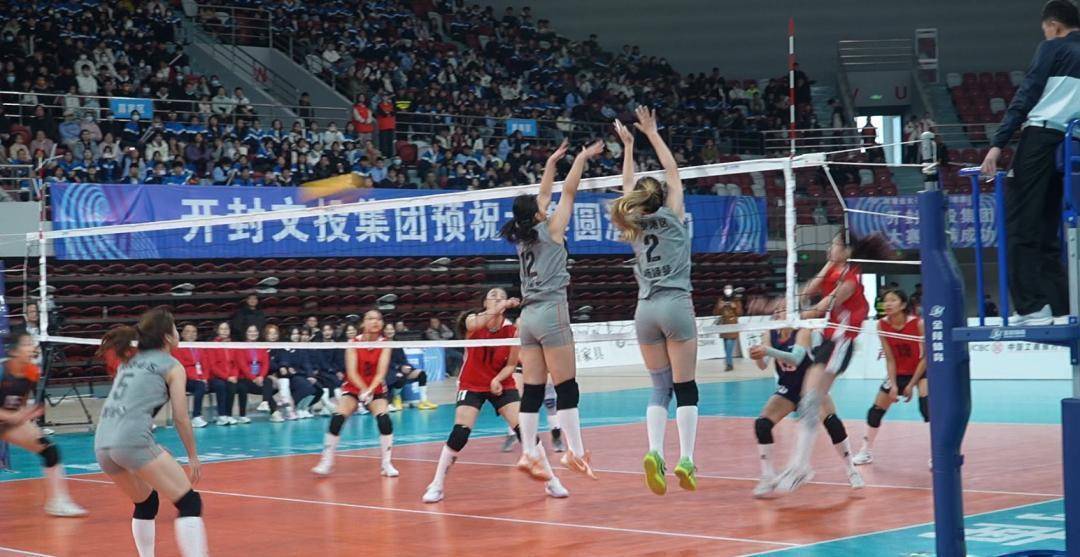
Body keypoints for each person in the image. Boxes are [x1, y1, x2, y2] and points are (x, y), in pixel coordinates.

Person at [498, 138, 603, 481]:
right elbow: (568, 191)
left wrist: (551, 163)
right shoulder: (552, 229)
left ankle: (529, 453)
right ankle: (576, 452)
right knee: (566, 386)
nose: (545, 205)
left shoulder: (523, 235)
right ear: (538, 214)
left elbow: (543, 195)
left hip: (527, 318)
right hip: (551, 311)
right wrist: (582, 157)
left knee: (532, 388)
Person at [611, 107, 699, 495]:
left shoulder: (632, 222)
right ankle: (687, 459)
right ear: (661, 198)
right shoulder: (674, 217)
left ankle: (654, 452)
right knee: (686, 387)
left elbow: (626, 187)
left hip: (645, 310)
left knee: (659, 387)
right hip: (675, 304)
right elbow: (673, 171)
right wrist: (651, 132)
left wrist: (628, 147)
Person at [980, 0, 1080, 325]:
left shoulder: (1052, 48)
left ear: (1053, 26)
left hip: (1040, 139)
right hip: (1071, 146)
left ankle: (1031, 307)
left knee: (1021, 224)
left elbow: (1027, 94)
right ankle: (1061, 307)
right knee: (1049, 229)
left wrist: (997, 144)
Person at [775, 231, 895, 493]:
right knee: (809, 402)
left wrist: (791, 318)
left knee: (811, 401)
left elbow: (822, 306)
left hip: (841, 344)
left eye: (835, 245)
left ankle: (801, 466)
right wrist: (828, 264)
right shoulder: (834, 270)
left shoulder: (850, 280)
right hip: (828, 343)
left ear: (847, 251)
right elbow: (809, 290)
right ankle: (800, 465)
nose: (830, 247)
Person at [422, 289, 568, 503]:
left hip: (501, 382)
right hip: (472, 383)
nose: (498, 297)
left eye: (502, 295)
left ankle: (552, 481)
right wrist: (504, 304)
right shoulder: (472, 321)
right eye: (493, 295)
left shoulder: (512, 332)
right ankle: (437, 485)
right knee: (460, 433)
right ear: (485, 302)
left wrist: (497, 379)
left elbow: (511, 364)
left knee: (525, 431)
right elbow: (477, 323)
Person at [95, 308, 209, 557]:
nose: (178, 333)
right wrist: (192, 456)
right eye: (176, 328)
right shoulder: (172, 366)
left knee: (146, 502)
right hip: (130, 442)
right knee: (189, 502)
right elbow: (180, 417)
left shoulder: (130, 360)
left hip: (102, 443)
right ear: (167, 337)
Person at [747, 304, 864, 498]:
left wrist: (767, 350)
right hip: (788, 389)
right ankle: (768, 476)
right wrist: (757, 355)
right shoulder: (770, 334)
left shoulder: (802, 331)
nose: (779, 312)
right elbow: (762, 365)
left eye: (784, 309)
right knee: (762, 424)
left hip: (811, 387)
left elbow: (796, 358)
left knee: (832, 422)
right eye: (777, 310)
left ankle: (851, 469)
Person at [0, 332, 87, 517]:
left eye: (32, 343)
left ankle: (58, 502)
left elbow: (21, 401)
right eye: (26, 344)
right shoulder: (2, 371)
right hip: (6, 418)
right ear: (14, 351)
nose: (32, 347)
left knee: (49, 449)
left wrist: (26, 414)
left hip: (7, 423)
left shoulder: (32, 372)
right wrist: (12, 416)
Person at [312, 309, 398, 478]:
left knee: (384, 421)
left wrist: (370, 390)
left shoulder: (385, 344)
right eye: (371, 318)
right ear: (363, 323)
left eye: (378, 319)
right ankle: (326, 461)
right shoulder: (353, 343)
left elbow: (381, 373)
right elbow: (351, 372)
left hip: (375, 388)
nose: (375, 322)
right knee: (337, 418)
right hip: (354, 388)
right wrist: (363, 390)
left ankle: (386, 464)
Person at [853, 289, 928, 466]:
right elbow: (890, 358)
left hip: (921, 371)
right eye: (885, 300)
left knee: (928, 408)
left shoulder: (918, 324)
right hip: (898, 372)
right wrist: (893, 385)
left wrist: (911, 384)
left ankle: (939, 455)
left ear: (903, 305)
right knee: (875, 411)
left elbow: (926, 358)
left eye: (893, 300)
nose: (887, 304)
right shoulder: (881, 325)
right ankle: (866, 451)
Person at [383, 323, 438, 410]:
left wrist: (407, 366)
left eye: (391, 329)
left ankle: (423, 401)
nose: (390, 331)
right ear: (384, 331)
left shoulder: (397, 343)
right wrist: (399, 367)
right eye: (387, 329)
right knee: (400, 377)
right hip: (389, 371)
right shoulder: (381, 344)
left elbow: (403, 359)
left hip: (401, 369)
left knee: (421, 374)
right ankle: (396, 398)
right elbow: (386, 362)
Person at [233, 325, 274, 422]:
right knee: (243, 387)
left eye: (255, 331)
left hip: (259, 378)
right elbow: (242, 365)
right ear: (246, 334)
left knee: (268, 382)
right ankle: (242, 415)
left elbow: (265, 364)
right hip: (245, 378)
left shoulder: (262, 346)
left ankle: (265, 403)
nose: (253, 333)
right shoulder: (241, 347)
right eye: (250, 331)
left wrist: (261, 376)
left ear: (258, 333)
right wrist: (253, 378)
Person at [171, 323, 209, 428]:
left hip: (201, 378)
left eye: (194, 332)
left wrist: (205, 378)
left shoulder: (200, 347)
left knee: (220, 384)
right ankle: (196, 416)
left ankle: (224, 415)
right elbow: (180, 367)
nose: (191, 334)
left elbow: (206, 365)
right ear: (182, 334)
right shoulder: (177, 348)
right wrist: (197, 378)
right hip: (185, 379)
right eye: (188, 332)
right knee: (200, 386)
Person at [206, 321, 239, 426]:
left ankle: (229, 415)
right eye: (222, 329)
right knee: (221, 385)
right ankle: (221, 415)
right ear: (217, 331)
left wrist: (234, 375)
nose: (224, 331)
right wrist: (226, 377)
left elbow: (236, 363)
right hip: (215, 377)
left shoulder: (233, 345)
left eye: (226, 329)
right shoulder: (213, 345)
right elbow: (213, 366)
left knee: (232, 386)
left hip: (230, 376)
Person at [713, 284, 744, 372]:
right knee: (726, 347)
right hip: (723, 325)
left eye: (729, 289)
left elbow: (740, 313)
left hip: (733, 325)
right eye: (726, 289)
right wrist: (719, 307)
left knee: (729, 345)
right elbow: (715, 312)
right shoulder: (721, 299)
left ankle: (729, 364)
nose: (727, 290)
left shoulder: (736, 300)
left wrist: (735, 307)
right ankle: (728, 362)